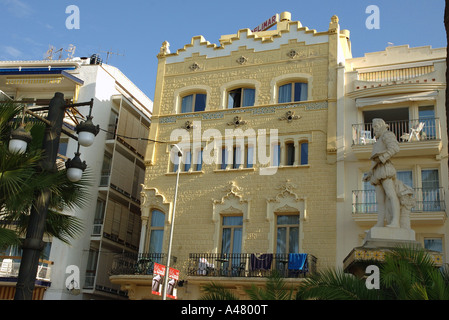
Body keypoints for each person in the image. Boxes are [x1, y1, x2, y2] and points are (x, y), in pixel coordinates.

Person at [363, 118, 401, 228]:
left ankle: (395, 222)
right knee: (379, 200)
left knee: (391, 194)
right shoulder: (377, 142)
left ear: (380, 126)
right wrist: (369, 174)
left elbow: (395, 148)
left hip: (385, 167)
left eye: (375, 127)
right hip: (377, 170)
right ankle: (380, 223)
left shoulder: (387, 135)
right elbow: (374, 162)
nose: (373, 130)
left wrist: (383, 157)